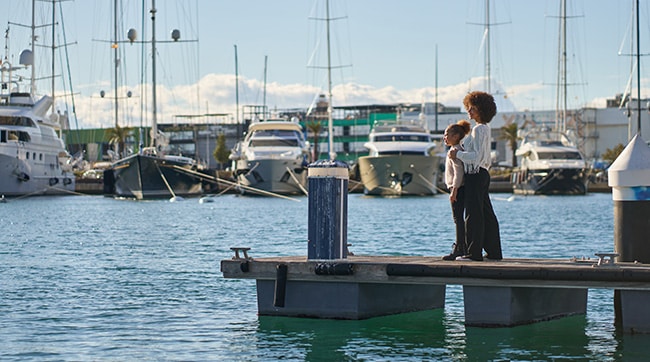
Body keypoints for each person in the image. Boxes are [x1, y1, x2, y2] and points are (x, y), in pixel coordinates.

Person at [449, 91, 503, 261]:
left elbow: (476, 156)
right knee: (486, 213)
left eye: (472, 108)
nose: (469, 112)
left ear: (480, 109)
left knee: (473, 215)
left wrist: (457, 155)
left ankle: (473, 253)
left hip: (475, 174)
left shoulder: (479, 129)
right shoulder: (485, 128)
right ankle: (494, 252)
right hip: (483, 174)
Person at [441, 120, 471, 261]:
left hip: (457, 188)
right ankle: (462, 246)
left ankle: (459, 248)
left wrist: (454, 190)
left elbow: (459, 172)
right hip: (460, 188)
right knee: (460, 218)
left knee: (457, 219)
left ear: (456, 136)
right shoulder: (458, 150)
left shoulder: (454, 151)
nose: (444, 137)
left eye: (447, 135)